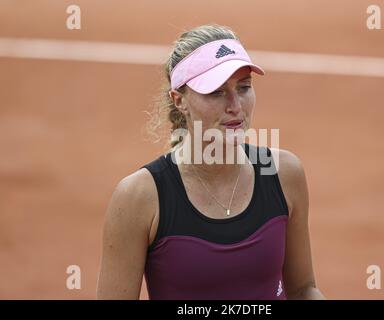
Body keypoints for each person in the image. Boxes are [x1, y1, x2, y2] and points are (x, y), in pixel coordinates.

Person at [96, 24, 325, 300]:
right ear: (179, 100)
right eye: (216, 92)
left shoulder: (284, 174)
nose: (236, 106)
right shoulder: (139, 197)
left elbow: (302, 290)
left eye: (243, 88)